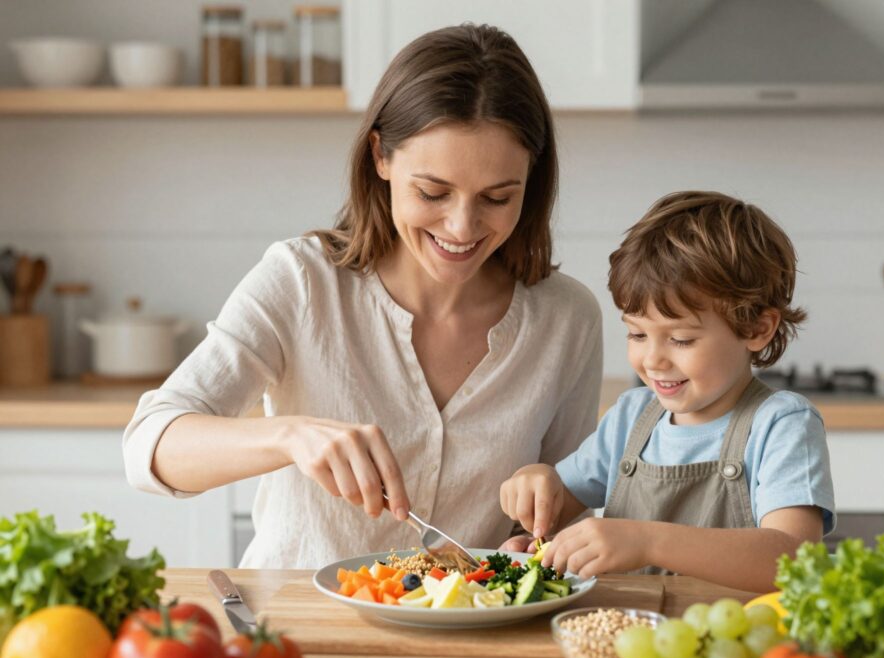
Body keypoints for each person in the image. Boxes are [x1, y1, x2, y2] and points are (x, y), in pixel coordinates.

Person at [123, 24, 602, 569]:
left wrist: (532, 542)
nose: (463, 226)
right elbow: (148, 447)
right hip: (298, 633)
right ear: (381, 157)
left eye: (497, 197)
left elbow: (561, 507)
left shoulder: (567, 319)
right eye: (433, 192)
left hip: (471, 643)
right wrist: (289, 437)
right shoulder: (302, 281)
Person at [499, 191, 834, 592]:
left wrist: (648, 541)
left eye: (681, 339)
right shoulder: (631, 416)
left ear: (757, 329)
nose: (653, 360)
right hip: (627, 639)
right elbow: (557, 503)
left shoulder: (781, 424)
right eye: (637, 334)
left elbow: (792, 559)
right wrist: (536, 491)